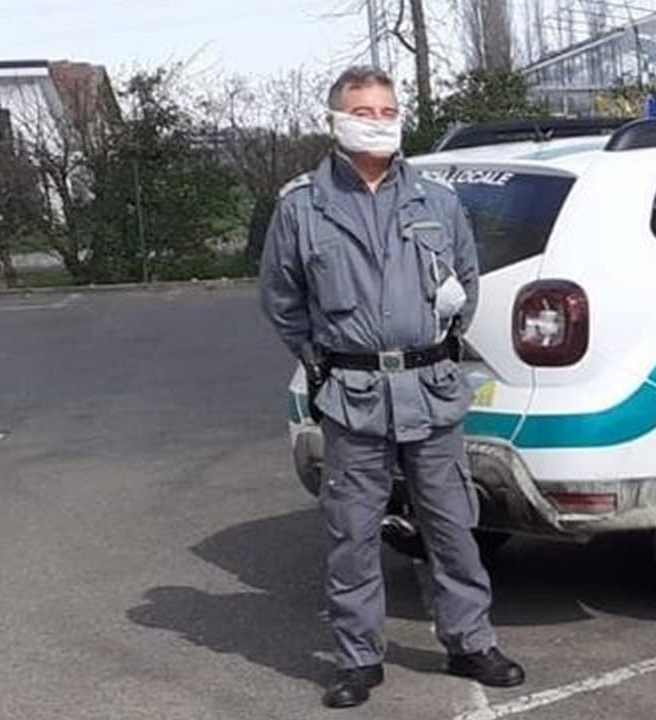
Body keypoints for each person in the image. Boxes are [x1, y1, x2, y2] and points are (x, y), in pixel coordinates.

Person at [258, 66, 525, 709]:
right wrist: (321, 359)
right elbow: (282, 299)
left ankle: (469, 641)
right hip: (352, 395)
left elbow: (465, 280)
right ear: (335, 121)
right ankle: (357, 658)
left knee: (452, 523)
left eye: (386, 109)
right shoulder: (302, 207)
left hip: (430, 388)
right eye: (363, 110)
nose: (377, 120)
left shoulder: (435, 198)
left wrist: (437, 340)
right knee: (352, 532)